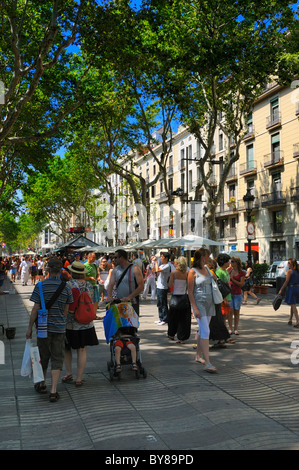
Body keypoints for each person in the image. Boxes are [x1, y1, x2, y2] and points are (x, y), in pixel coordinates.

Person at [26, 257, 73, 402]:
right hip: (59, 328)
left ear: (47, 270)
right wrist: (61, 321)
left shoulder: (40, 286)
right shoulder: (66, 287)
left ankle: (42, 384)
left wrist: (29, 329)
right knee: (57, 358)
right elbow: (67, 309)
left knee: (43, 356)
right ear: (60, 271)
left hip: (43, 329)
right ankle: (53, 391)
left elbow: (35, 309)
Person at [63, 261, 99, 386]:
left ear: (72, 272)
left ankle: (68, 373)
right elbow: (94, 301)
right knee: (82, 350)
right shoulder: (90, 285)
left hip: (70, 323)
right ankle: (79, 378)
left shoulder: (68, 285)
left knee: (67, 349)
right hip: (86, 322)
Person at [187, 248, 217, 373]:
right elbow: (190, 291)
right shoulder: (192, 272)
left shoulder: (208, 270)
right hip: (199, 303)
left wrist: (214, 276)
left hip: (210, 303)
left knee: (202, 330)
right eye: (208, 256)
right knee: (206, 330)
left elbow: (215, 279)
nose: (209, 258)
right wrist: (194, 308)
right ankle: (208, 362)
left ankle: (198, 356)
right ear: (202, 257)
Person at [106, 249, 144, 315]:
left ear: (122, 258)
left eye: (115, 257)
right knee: (119, 324)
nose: (113, 259)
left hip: (132, 303)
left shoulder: (135, 269)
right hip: (119, 302)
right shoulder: (115, 270)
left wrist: (129, 297)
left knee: (131, 325)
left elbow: (141, 286)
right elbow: (110, 284)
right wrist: (109, 296)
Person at [167, 256, 191, 343]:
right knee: (183, 319)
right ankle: (182, 338)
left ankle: (171, 334)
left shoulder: (173, 273)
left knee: (173, 318)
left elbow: (170, 285)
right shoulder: (186, 273)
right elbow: (188, 287)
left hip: (175, 296)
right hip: (184, 297)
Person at [227, 257, 245, 335]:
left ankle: (236, 328)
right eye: (231, 262)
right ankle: (230, 328)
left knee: (236, 311)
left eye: (233, 262)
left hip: (237, 293)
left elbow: (241, 284)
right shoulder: (228, 270)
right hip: (230, 293)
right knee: (230, 311)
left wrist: (232, 279)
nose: (231, 263)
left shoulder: (241, 272)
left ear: (237, 263)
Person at [279, 258, 299, 327]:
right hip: (297, 288)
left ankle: (297, 321)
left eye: (289, 263)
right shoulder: (297, 271)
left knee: (293, 305)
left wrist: (281, 289)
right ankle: (290, 319)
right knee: (292, 304)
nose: (288, 264)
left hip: (292, 288)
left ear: (292, 264)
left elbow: (286, 281)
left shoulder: (290, 271)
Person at [152, 252, 171, 325]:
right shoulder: (162, 265)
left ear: (166, 258)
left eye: (162, 257)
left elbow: (157, 270)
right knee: (159, 303)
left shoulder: (167, 266)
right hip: (159, 286)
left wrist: (156, 262)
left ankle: (165, 318)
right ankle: (161, 318)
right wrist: (153, 263)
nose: (161, 258)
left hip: (163, 287)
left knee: (163, 303)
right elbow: (154, 270)